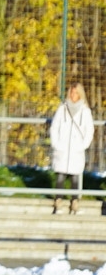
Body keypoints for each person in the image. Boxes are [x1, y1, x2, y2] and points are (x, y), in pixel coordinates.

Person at [49, 82, 95, 215]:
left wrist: (83, 145)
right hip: (62, 149)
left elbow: (89, 130)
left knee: (75, 178)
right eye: (71, 92)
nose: (73, 95)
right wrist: (56, 143)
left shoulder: (85, 111)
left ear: (80, 95)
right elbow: (54, 127)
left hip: (76, 149)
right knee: (60, 177)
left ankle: (75, 203)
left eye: (76, 93)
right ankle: (58, 202)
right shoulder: (62, 109)